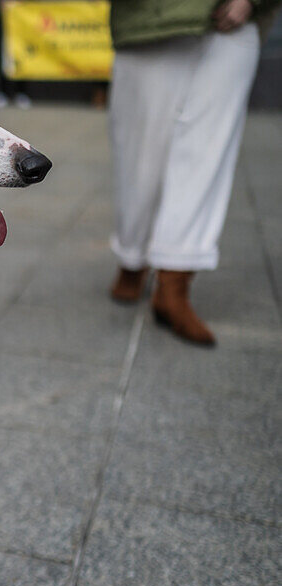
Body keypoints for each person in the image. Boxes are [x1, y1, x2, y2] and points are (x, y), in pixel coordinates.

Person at [106, 0, 279, 346]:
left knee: (207, 154)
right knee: (139, 154)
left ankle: (175, 282)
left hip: (234, 23)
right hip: (148, 20)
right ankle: (133, 255)